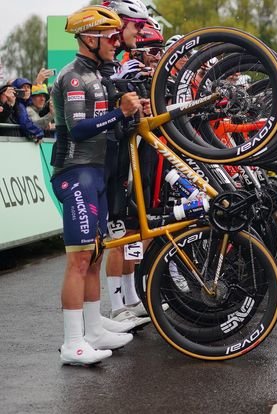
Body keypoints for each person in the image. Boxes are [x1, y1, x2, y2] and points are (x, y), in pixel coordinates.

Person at [50, 5, 142, 365]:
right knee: (79, 259)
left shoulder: (98, 75)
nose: (116, 43)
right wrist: (120, 112)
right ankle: (72, 342)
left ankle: (93, 329)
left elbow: (110, 125)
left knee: (96, 255)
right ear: (90, 38)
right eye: (109, 37)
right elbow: (79, 128)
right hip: (75, 171)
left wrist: (129, 113)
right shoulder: (74, 76)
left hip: (96, 171)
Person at [100, 0, 153, 324]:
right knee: (117, 238)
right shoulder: (117, 68)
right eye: (135, 25)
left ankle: (130, 297)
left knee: (134, 233)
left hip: (131, 163)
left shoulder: (117, 64)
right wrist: (128, 113)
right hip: (113, 164)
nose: (139, 32)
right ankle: (117, 305)